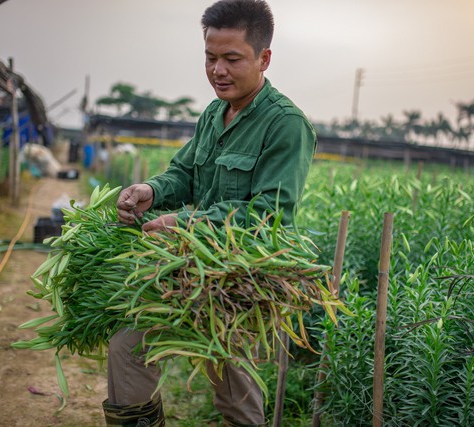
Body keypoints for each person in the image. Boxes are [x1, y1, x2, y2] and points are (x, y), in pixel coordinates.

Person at [104, 0, 317, 425]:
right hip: (187, 267)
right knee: (127, 348)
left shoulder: (286, 125)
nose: (218, 70)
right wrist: (150, 190)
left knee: (234, 395)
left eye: (231, 59)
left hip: (242, 281)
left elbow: (267, 214)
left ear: (264, 58)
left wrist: (182, 222)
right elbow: (183, 172)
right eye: (210, 57)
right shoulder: (213, 113)